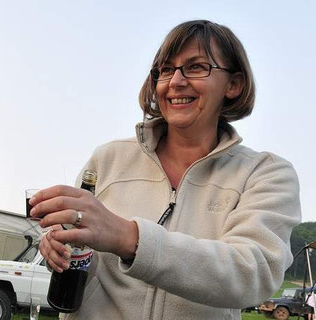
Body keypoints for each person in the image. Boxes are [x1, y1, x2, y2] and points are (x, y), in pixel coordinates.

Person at [30, 20, 301, 319]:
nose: (175, 82)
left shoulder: (266, 173)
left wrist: (128, 237)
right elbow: (85, 253)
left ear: (233, 85)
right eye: (166, 70)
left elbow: (255, 272)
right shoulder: (108, 159)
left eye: (196, 67)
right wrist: (60, 243)